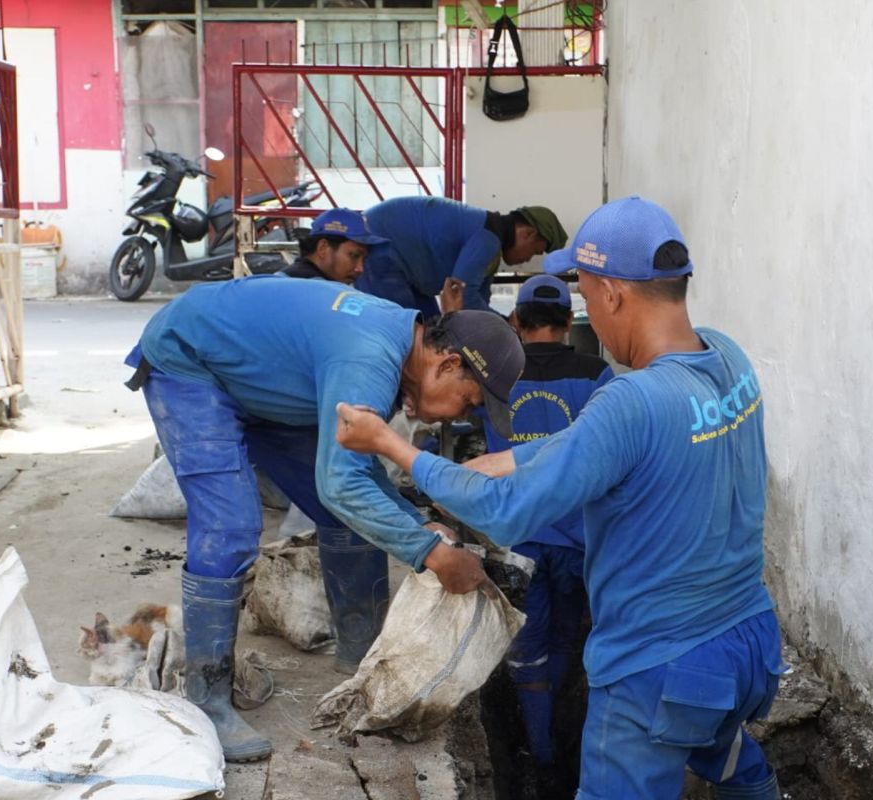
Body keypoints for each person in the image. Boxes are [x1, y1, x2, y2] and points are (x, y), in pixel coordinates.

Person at [335, 196, 786, 800]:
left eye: (587, 293)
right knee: (723, 753)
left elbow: (506, 511)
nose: (590, 313)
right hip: (748, 646)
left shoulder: (631, 403)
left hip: (657, 667)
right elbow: (594, 443)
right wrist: (513, 457)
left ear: (612, 294)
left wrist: (395, 447)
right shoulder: (728, 359)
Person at [123, 276, 522, 763]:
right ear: (448, 364)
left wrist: (417, 526)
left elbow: (358, 467)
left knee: (354, 512)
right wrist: (434, 555)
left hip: (260, 381)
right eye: (469, 402)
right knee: (229, 529)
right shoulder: (370, 359)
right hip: (191, 362)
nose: (457, 416)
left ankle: (362, 653)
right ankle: (207, 700)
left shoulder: (397, 350)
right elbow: (342, 484)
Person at [478, 274, 611, 777]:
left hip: (520, 539)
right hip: (580, 539)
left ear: (518, 321)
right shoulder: (597, 374)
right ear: (568, 322)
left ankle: (538, 751)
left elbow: (494, 454)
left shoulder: (497, 376)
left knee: (527, 648)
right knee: (564, 639)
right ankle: (559, 744)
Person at [355, 196, 568, 317]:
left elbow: (479, 301)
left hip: (402, 264)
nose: (529, 258)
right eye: (535, 251)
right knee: (405, 334)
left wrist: (506, 323)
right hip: (380, 250)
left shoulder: (490, 245)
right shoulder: (487, 238)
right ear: (527, 233)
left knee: (430, 329)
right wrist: (507, 324)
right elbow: (463, 297)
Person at [281, 207, 385, 285]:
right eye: (354, 256)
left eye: (364, 259)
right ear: (323, 248)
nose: (360, 269)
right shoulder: (322, 294)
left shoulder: (283, 277)